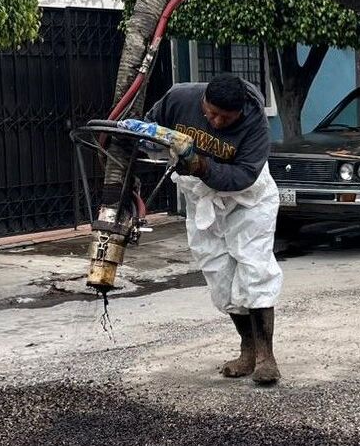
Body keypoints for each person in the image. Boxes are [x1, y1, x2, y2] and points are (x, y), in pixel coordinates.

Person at [119, 74, 283, 384]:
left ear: (241, 112)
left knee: (253, 266)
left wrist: (200, 165)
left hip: (248, 200)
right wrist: (141, 136)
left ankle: (266, 357)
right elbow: (153, 128)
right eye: (211, 113)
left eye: (225, 117)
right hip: (202, 198)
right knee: (219, 272)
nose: (216, 121)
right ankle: (247, 351)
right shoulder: (179, 97)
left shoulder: (256, 126)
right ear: (203, 100)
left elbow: (242, 177)